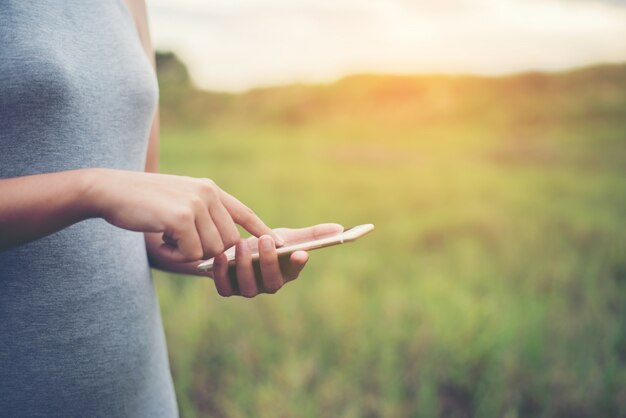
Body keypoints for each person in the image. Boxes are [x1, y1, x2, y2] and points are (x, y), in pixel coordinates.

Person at [0, 1, 343, 416]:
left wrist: (230, 250)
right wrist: (90, 189)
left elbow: (142, 233)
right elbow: (115, 192)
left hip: (139, 396)